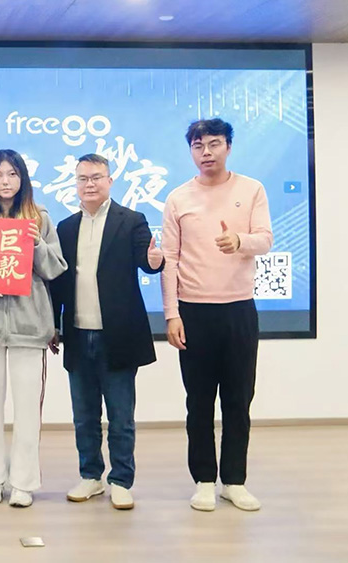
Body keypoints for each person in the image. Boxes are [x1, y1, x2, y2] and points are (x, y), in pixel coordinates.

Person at [162, 118, 272, 512]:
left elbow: (265, 239)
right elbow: (169, 259)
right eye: (198, 145)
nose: (206, 152)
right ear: (191, 151)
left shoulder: (251, 189)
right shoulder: (178, 198)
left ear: (228, 146)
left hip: (239, 308)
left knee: (238, 399)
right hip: (193, 311)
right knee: (199, 401)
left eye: (214, 143)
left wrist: (239, 241)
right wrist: (171, 314)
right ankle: (205, 481)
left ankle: (234, 481)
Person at [49, 153, 164, 511]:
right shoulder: (66, 227)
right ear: (75, 184)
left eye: (96, 177)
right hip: (78, 333)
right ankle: (90, 476)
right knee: (84, 415)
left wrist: (155, 261)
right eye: (83, 178)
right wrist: (53, 324)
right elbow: (58, 283)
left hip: (118, 334)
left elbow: (147, 260)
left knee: (120, 416)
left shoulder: (131, 220)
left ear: (110, 181)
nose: (90, 184)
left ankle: (121, 480)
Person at [0, 149, 66, 508]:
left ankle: (23, 482)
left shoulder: (39, 217)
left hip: (28, 326)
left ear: (23, 178)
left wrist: (36, 244)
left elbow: (55, 267)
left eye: (12, 174)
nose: (5, 181)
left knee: (27, 409)